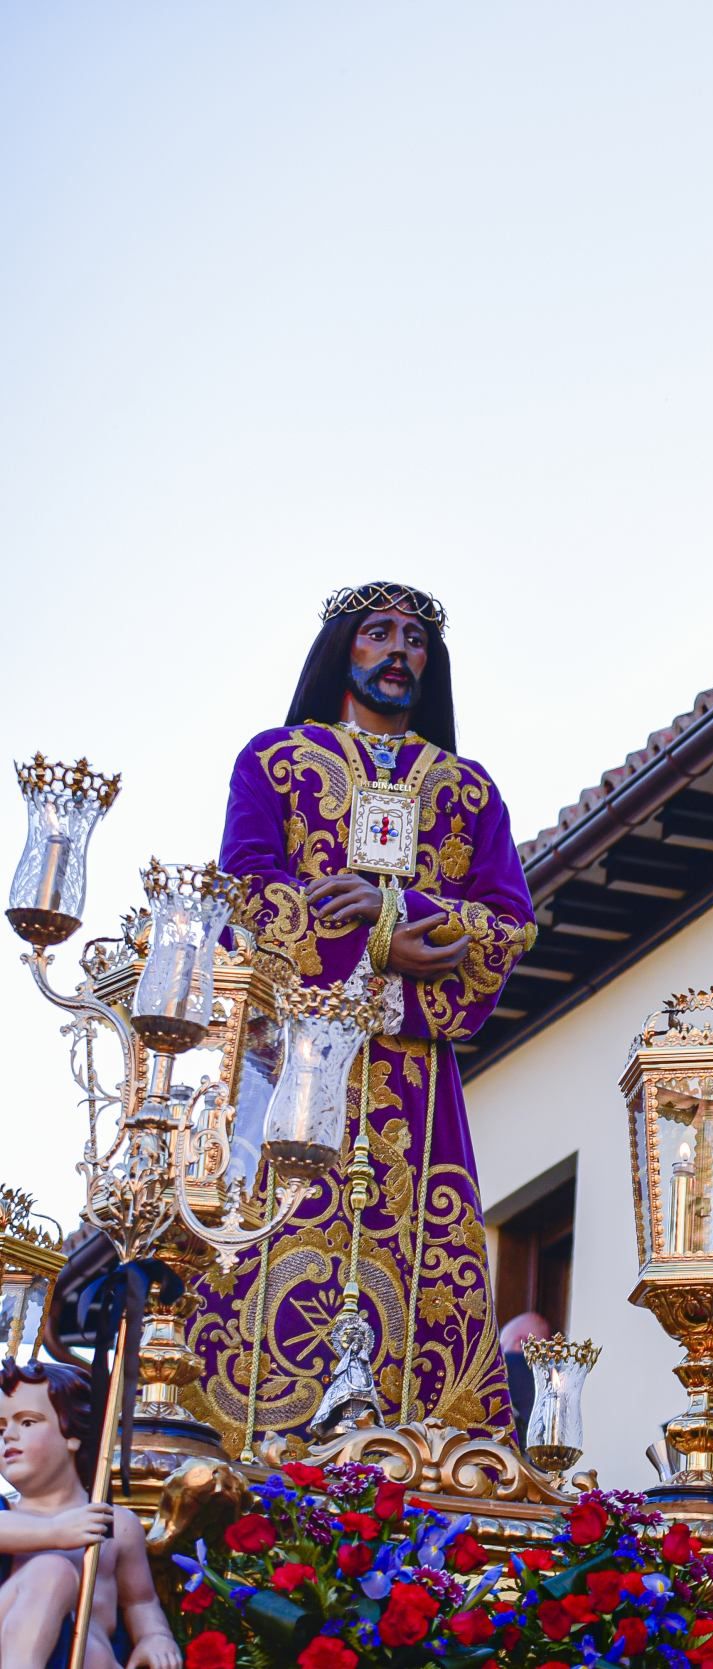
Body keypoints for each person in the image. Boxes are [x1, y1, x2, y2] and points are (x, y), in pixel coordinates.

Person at [185, 582, 536, 1449]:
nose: (399, 653)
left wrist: (395, 912)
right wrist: (386, 945)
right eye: (379, 633)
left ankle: (420, 1447)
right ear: (345, 648)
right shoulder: (274, 761)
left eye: (415, 640)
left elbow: (507, 925)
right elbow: (248, 897)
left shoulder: (467, 790)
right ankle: (250, 1439)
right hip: (298, 1060)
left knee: (422, 1265)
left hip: (417, 1091)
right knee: (270, 1236)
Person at [0, 1361, 179, 1669]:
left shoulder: (116, 1524)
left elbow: (140, 1601)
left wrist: (155, 1637)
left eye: (27, 1422)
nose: (9, 1436)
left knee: (94, 1651)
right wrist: (55, 1532)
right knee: (50, 1572)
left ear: (74, 1433)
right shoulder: (9, 1511)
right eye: (1, 1428)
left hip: (91, 1659)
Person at [499, 1310, 552, 1438]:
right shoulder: (551, 1382)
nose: (498, 1353)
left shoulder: (511, 1362)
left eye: (500, 1345)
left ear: (520, 1343)